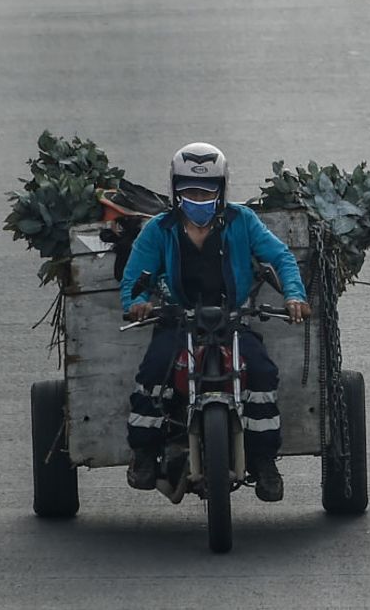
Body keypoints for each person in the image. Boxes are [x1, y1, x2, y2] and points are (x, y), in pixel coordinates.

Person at [120, 143, 311, 502]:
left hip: (232, 320)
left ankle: (264, 459)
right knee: (154, 371)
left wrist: (294, 296)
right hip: (178, 322)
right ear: (175, 189)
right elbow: (136, 277)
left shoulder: (243, 221)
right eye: (189, 191)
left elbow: (281, 257)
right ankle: (144, 453)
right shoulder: (158, 229)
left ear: (222, 190)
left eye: (207, 192)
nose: (198, 199)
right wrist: (138, 303)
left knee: (262, 373)